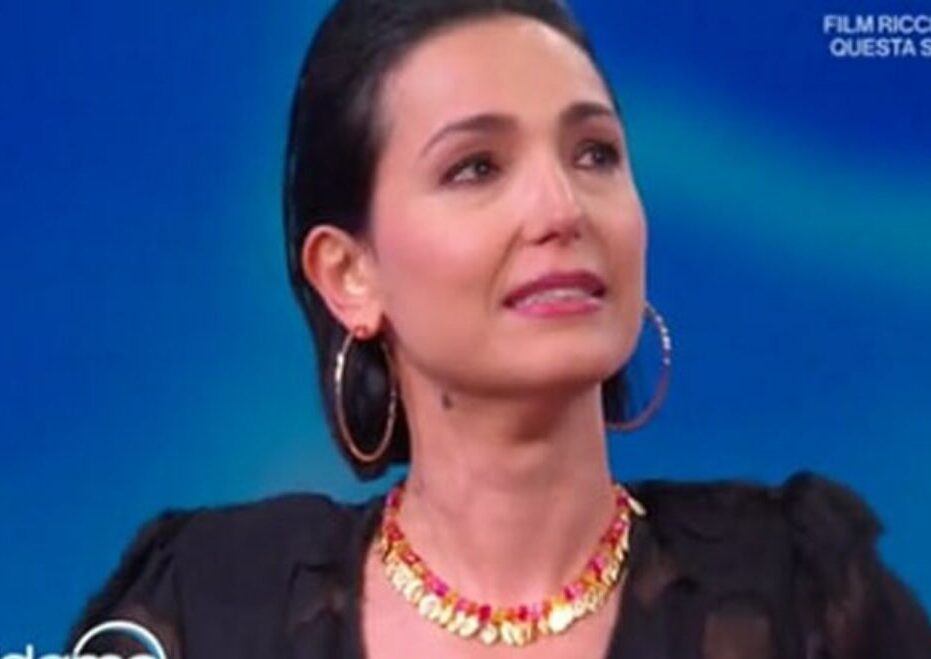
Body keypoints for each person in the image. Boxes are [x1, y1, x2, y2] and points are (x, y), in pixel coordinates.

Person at [65, 1, 931, 657]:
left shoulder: (805, 598)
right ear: (349, 275)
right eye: (475, 167)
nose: (561, 209)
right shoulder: (208, 602)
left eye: (594, 153)